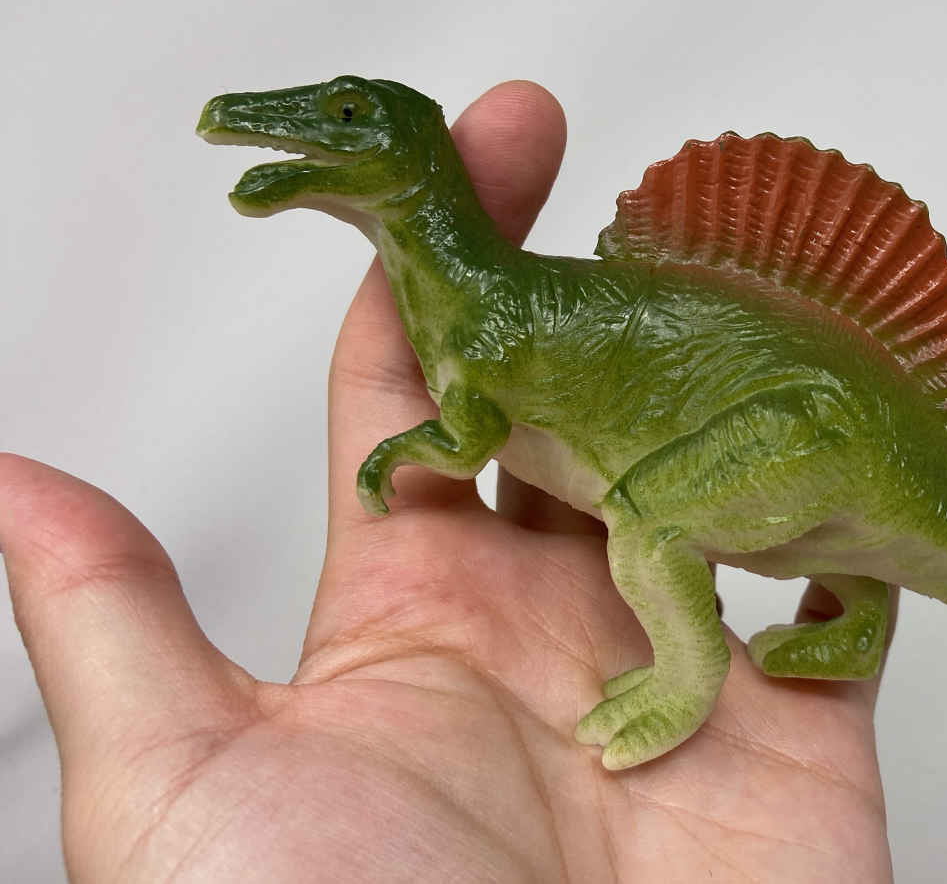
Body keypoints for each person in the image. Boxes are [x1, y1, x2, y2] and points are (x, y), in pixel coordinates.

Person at [0, 82, 897, 882]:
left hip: (822, 417)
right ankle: (859, 614)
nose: (311, 128)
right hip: (819, 422)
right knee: (713, 496)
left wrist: (402, 448)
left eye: (347, 116)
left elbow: (471, 442)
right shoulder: (476, 298)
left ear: (414, 153)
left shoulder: (482, 317)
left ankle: (687, 678)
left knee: (650, 522)